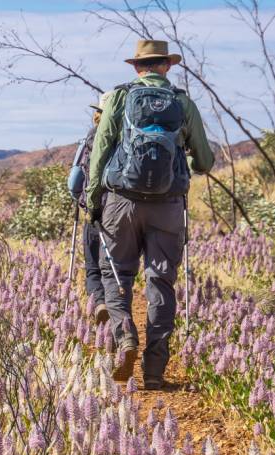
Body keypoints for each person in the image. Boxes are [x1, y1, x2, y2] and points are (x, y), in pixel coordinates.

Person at [86, 40, 214, 387]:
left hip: (121, 202)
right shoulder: (183, 103)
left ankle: (125, 336)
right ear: (167, 66)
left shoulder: (119, 97)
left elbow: (101, 149)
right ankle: (155, 371)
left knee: (116, 276)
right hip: (168, 205)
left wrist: (94, 197)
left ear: (136, 67)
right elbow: (205, 161)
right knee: (160, 282)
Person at [68, 92, 113, 325]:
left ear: (97, 114)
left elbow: (74, 182)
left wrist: (80, 198)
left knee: (93, 265)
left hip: (94, 211)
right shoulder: (126, 138)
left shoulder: (88, 139)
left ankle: (99, 302)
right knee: (119, 268)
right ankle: (119, 314)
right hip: (122, 212)